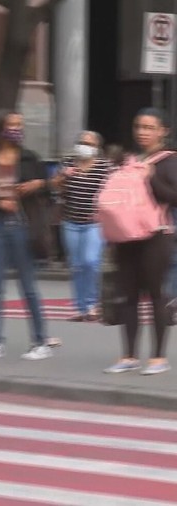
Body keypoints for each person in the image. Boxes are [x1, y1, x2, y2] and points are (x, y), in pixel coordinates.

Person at [0, 111, 53, 361]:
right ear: (0, 129)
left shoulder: (29, 158)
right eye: (12, 125)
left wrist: (37, 185)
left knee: (28, 285)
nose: (17, 129)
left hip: (22, 225)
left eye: (20, 125)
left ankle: (40, 341)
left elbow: (47, 189)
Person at [104, 108, 177, 376]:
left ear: (163, 131)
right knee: (127, 297)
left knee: (157, 296)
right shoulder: (129, 160)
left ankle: (158, 357)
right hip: (127, 236)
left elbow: (174, 196)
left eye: (149, 127)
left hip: (156, 237)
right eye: (139, 127)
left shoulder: (169, 161)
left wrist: (152, 178)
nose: (142, 132)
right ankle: (129, 355)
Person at [50, 131, 111, 322]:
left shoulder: (105, 167)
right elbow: (54, 187)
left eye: (89, 143)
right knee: (76, 265)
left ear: (97, 148)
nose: (84, 145)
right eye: (81, 142)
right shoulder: (68, 163)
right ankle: (80, 307)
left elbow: (114, 191)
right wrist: (61, 176)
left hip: (95, 223)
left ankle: (92, 304)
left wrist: (103, 210)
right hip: (70, 222)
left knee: (91, 262)